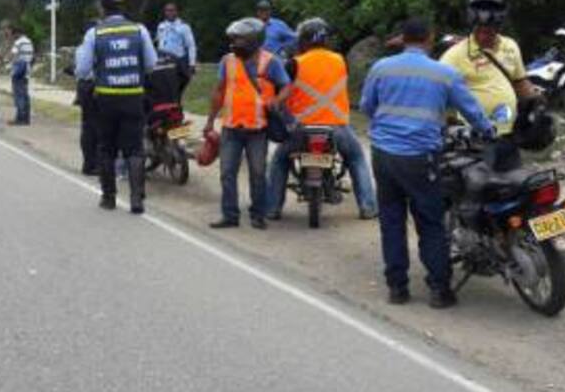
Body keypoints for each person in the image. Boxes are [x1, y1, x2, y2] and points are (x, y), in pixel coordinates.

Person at [360, 18, 494, 308]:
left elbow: (367, 106)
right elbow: (471, 111)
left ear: (403, 38)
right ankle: (439, 290)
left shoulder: (381, 68)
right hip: (421, 157)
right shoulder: (445, 73)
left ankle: (397, 289)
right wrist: (488, 130)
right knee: (431, 223)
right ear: (430, 39)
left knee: (392, 221)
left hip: (383, 155)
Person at [266, 18, 378, 221]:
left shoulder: (294, 63)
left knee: (280, 160)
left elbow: (280, 91)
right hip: (337, 126)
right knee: (356, 158)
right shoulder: (340, 60)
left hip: (301, 128)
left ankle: (272, 208)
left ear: (303, 41)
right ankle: (368, 206)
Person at [75, 0, 158, 213]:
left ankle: (109, 198)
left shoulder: (95, 34)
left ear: (103, 9)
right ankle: (136, 199)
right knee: (134, 149)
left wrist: (98, 71)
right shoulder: (139, 30)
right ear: (122, 7)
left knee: (107, 148)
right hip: (133, 97)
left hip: (106, 99)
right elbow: (151, 64)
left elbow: (82, 69)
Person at [203, 18, 291, 230]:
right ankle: (230, 215)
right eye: (233, 39)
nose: (234, 44)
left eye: (239, 39)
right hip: (231, 127)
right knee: (227, 173)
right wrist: (209, 121)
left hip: (257, 129)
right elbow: (219, 91)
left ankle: (257, 215)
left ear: (254, 40)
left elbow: (286, 86)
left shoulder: (270, 62)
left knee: (258, 174)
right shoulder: (227, 61)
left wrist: (277, 101)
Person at [440, 0, 539, 168]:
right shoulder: (454, 56)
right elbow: (439, 94)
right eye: (481, 30)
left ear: (499, 26)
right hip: (474, 140)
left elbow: (520, 81)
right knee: (479, 192)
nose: (485, 35)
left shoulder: (510, 46)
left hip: (509, 136)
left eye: (490, 30)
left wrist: (536, 105)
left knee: (513, 186)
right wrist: (449, 127)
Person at [155, 2, 197, 94]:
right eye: (167, 11)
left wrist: (192, 63)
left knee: (177, 87)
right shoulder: (161, 26)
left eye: (172, 10)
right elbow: (159, 42)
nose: (169, 13)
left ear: (176, 12)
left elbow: (191, 45)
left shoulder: (184, 26)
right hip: (163, 60)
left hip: (178, 60)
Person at [8, 29, 34, 125]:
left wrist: (10, 65)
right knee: (25, 94)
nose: (12, 37)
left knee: (18, 94)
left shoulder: (18, 42)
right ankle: (26, 118)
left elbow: (13, 55)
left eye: (12, 35)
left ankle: (20, 118)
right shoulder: (29, 42)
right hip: (26, 70)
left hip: (19, 70)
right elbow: (31, 57)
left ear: (17, 33)